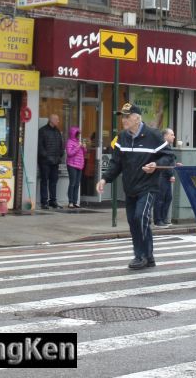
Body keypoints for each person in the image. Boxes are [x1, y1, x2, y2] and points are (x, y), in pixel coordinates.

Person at [96, 103, 174, 270]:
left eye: (127, 116)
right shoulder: (122, 137)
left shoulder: (153, 135)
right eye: (122, 116)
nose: (123, 120)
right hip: (130, 189)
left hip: (148, 186)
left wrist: (155, 163)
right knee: (134, 222)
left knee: (140, 217)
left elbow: (169, 157)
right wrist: (104, 179)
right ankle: (149, 256)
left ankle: (141, 256)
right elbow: (116, 163)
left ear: (137, 118)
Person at [38, 114, 64, 209]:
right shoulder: (42, 131)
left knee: (54, 182)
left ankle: (53, 201)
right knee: (44, 181)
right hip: (45, 162)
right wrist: (46, 156)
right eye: (57, 119)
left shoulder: (57, 131)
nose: (58, 121)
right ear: (51, 120)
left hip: (55, 161)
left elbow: (61, 144)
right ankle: (44, 202)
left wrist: (60, 155)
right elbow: (40, 146)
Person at [153, 128, 177, 228]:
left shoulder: (168, 146)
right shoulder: (162, 147)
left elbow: (169, 161)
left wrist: (176, 164)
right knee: (160, 198)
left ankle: (163, 219)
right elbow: (164, 162)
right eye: (171, 134)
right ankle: (158, 220)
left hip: (166, 176)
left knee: (168, 198)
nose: (174, 137)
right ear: (165, 136)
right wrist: (171, 174)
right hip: (161, 176)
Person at [65, 126, 86, 208]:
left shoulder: (78, 142)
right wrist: (78, 147)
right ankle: (70, 201)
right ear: (73, 134)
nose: (78, 136)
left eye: (78, 134)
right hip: (72, 165)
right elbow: (69, 153)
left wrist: (84, 147)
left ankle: (75, 201)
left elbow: (83, 153)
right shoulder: (69, 142)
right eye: (77, 134)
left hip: (79, 165)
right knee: (72, 183)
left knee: (77, 184)